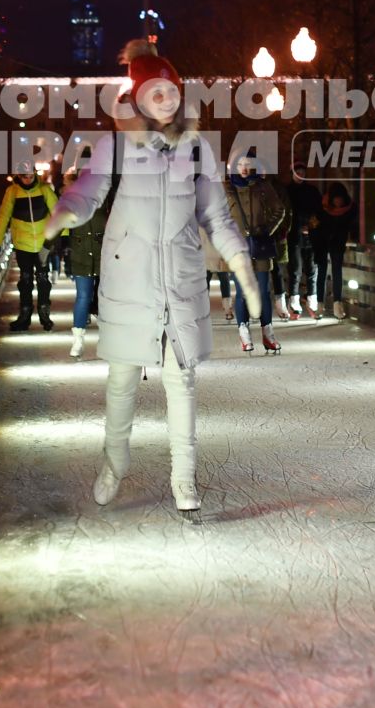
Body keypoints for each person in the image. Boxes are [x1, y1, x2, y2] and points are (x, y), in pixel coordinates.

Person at [46, 40, 261, 513]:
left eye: (170, 89)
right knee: (122, 380)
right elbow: (89, 192)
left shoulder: (197, 149)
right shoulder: (115, 147)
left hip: (180, 277)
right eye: (154, 90)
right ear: (139, 98)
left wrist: (240, 262)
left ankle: (185, 478)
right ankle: (114, 463)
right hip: (130, 278)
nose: (164, 97)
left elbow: (216, 217)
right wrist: (63, 212)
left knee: (181, 379)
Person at [225, 153, 289, 354]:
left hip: (261, 246)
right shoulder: (227, 188)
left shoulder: (262, 187)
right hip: (237, 248)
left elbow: (280, 210)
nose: (244, 168)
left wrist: (266, 229)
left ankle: (267, 333)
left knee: (263, 291)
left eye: (248, 164)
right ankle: (244, 332)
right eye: (240, 164)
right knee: (243, 292)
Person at [0, 163, 58, 332]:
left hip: (43, 244)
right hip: (22, 245)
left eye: (30, 176)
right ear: (18, 176)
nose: (27, 180)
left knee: (43, 280)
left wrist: (61, 238)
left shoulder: (45, 190)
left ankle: (44, 313)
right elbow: (3, 216)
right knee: (25, 281)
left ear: (35, 174)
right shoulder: (12, 192)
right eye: (24, 176)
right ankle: (25, 316)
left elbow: (59, 213)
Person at [62, 161, 109, 359]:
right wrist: (53, 246)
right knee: (82, 297)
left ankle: (108, 339)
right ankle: (78, 340)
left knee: (105, 298)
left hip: (103, 255)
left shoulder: (105, 198)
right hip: (81, 256)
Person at [313, 181, 356, 318]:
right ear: (331, 198)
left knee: (337, 271)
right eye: (336, 198)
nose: (338, 201)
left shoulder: (349, 209)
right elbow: (314, 224)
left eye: (340, 199)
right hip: (322, 242)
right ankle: (320, 305)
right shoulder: (322, 206)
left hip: (338, 243)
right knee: (322, 272)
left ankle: (338, 304)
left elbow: (352, 225)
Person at [285, 177, 323, 318]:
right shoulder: (288, 191)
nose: (300, 175)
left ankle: (312, 299)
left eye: (302, 171)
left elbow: (320, 211)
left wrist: (313, 226)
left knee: (312, 269)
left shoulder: (312, 191)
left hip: (311, 236)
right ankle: (294, 301)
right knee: (295, 270)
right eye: (297, 172)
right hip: (294, 236)